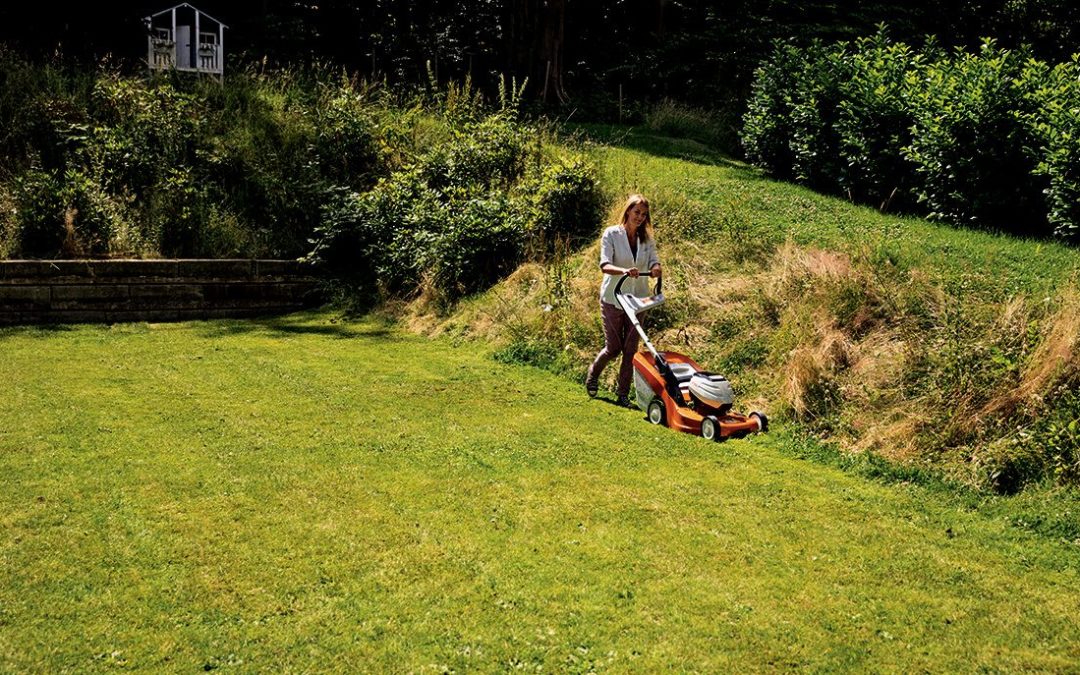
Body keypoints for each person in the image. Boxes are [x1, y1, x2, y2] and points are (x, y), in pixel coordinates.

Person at [585, 193, 662, 407]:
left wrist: (656, 269)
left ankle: (622, 395)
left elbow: (655, 261)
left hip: (638, 301)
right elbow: (605, 265)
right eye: (636, 212)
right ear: (628, 211)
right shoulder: (611, 234)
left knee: (630, 350)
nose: (639, 217)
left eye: (644, 215)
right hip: (613, 298)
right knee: (614, 348)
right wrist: (625, 271)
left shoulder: (647, 240)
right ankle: (593, 374)